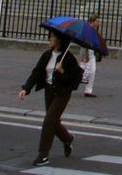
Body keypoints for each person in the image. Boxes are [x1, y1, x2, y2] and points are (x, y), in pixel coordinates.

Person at [18, 30, 82, 167]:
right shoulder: (47, 55)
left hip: (62, 93)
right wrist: (26, 88)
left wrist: (63, 72)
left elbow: (75, 80)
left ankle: (43, 154)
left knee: (49, 121)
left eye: (52, 37)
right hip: (49, 91)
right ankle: (68, 138)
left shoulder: (68, 58)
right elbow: (37, 72)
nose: (49, 39)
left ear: (59, 40)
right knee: (53, 121)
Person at [81, 13, 106, 98]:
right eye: (97, 21)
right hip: (88, 53)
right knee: (83, 71)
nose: (98, 23)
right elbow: (84, 44)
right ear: (93, 21)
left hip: (92, 54)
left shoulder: (94, 31)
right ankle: (73, 83)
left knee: (93, 71)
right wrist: (84, 57)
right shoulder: (87, 30)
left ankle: (88, 90)